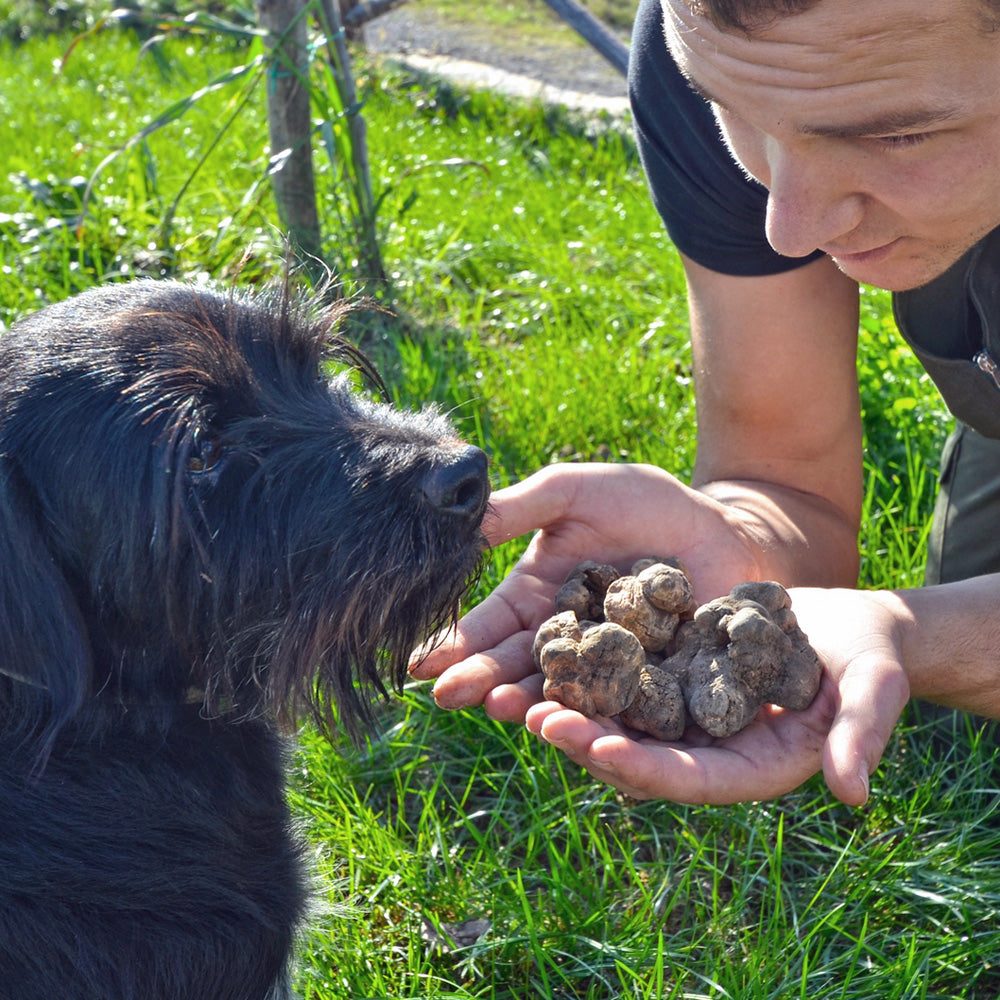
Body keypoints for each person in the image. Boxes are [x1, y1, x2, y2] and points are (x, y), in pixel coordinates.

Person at [410, 0, 1000, 807]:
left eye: (898, 136)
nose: (788, 228)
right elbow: (786, 474)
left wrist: (927, 638)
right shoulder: (730, 42)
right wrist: (743, 536)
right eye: (739, 115)